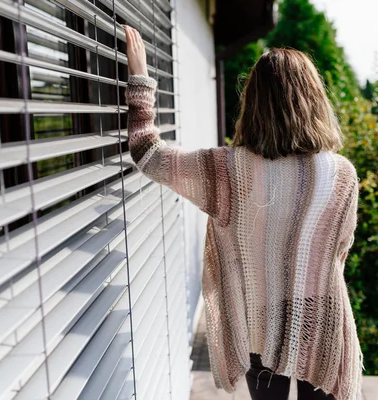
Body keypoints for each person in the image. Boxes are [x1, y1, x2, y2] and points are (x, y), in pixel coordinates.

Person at [123, 26, 363, 400]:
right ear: (314, 98)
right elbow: (339, 251)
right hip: (324, 321)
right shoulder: (341, 173)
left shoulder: (228, 171)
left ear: (253, 101)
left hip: (259, 319)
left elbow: (147, 154)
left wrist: (140, 80)